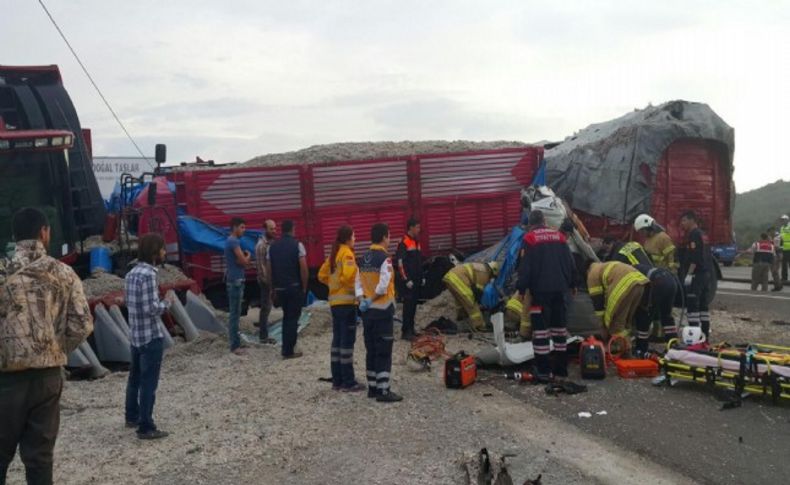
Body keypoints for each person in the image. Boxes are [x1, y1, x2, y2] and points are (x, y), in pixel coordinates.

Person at [0, 208, 93, 484]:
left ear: (16, 237)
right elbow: (82, 324)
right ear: (43, 232)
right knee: (40, 459)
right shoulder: (64, 273)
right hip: (47, 378)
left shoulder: (2, 270)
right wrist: (54, 347)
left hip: (5, 379)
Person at [124, 233, 176, 440]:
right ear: (154, 252)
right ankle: (146, 426)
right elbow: (151, 308)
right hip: (150, 335)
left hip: (136, 334)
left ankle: (131, 416)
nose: (164, 252)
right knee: (149, 383)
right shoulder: (149, 275)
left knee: (134, 378)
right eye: (162, 249)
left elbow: (130, 304)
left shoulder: (130, 274)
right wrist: (168, 302)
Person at [515, 210, 576, 381]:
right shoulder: (559, 236)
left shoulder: (530, 238)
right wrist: (573, 283)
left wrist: (521, 289)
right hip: (560, 290)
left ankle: (543, 371)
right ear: (544, 221)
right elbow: (569, 262)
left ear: (531, 224)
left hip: (540, 292)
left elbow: (525, 267)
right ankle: (561, 370)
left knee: (540, 332)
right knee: (559, 330)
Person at [356, 223, 403, 402]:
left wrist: (363, 300)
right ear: (384, 237)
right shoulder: (385, 258)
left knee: (371, 349)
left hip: (367, 313)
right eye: (389, 236)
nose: (389, 240)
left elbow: (357, 283)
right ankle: (384, 391)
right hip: (382, 312)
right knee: (384, 350)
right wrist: (373, 298)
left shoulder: (364, 257)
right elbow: (383, 286)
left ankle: (373, 388)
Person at [318, 225, 363, 392]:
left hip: (335, 304)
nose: (355, 238)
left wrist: (333, 285)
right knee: (347, 343)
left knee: (337, 342)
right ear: (347, 238)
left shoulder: (334, 254)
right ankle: (349, 381)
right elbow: (348, 277)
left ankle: (337, 380)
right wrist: (358, 291)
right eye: (354, 236)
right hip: (347, 304)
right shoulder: (347, 254)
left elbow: (322, 275)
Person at [267, 220, 308, 359]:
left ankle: (287, 347)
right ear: (292, 229)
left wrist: (272, 288)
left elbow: (269, 270)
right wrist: (304, 286)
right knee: (292, 318)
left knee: (286, 317)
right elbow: (303, 268)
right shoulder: (298, 245)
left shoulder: (272, 247)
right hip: (294, 287)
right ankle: (288, 350)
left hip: (280, 288)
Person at [586, 261, 650, 342]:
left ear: (586, 271)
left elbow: (597, 301)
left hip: (625, 285)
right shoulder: (604, 266)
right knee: (626, 321)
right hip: (641, 283)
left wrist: (602, 325)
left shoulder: (592, 273)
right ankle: (626, 344)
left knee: (615, 323)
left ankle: (621, 349)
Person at [679, 210, 713, 340]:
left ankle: (694, 337)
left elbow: (695, 257)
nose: (682, 224)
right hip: (706, 274)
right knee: (704, 307)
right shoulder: (703, 234)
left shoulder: (694, 235)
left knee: (693, 306)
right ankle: (705, 336)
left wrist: (689, 274)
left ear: (692, 220)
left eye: (684, 221)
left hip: (696, 275)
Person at [633, 264, 679, 354]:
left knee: (644, 315)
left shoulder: (629, 273)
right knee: (666, 315)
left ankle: (641, 349)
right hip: (671, 281)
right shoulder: (638, 267)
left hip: (658, 282)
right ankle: (673, 346)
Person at [442, 262, 499, 332]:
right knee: (471, 303)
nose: (491, 279)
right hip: (458, 279)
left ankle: (462, 317)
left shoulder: (480, 267)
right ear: (492, 271)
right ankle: (480, 326)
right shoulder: (485, 273)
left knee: (460, 300)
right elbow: (478, 292)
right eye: (493, 276)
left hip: (449, 278)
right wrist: (480, 304)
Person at [224, 218, 251, 355]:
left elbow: (239, 261)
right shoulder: (234, 241)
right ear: (234, 227)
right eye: (242, 227)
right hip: (236, 281)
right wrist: (248, 256)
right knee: (235, 314)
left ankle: (236, 343)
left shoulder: (230, 241)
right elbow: (243, 261)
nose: (243, 230)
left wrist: (242, 259)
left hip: (234, 280)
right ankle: (235, 346)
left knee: (235, 313)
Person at [395, 217, 423, 341]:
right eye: (417, 227)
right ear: (411, 227)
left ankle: (411, 330)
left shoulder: (416, 242)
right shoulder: (404, 242)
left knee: (413, 307)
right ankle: (405, 332)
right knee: (408, 307)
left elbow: (418, 262)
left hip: (416, 280)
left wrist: (421, 277)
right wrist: (406, 280)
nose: (419, 229)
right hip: (408, 282)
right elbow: (400, 263)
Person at [255, 220, 277, 344]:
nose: (274, 231)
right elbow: (261, 268)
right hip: (265, 281)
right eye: (271, 229)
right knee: (265, 308)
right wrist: (269, 284)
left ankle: (264, 333)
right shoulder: (261, 246)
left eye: (274, 228)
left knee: (267, 308)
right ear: (265, 230)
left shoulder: (269, 243)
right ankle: (263, 336)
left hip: (269, 280)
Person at [780, 215, 790, 283]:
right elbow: (781, 238)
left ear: (787, 220)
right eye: (782, 220)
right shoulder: (782, 228)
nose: (782, 221)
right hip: (784, 248)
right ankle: (784, 278)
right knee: (784, 264)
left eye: (783, 219)